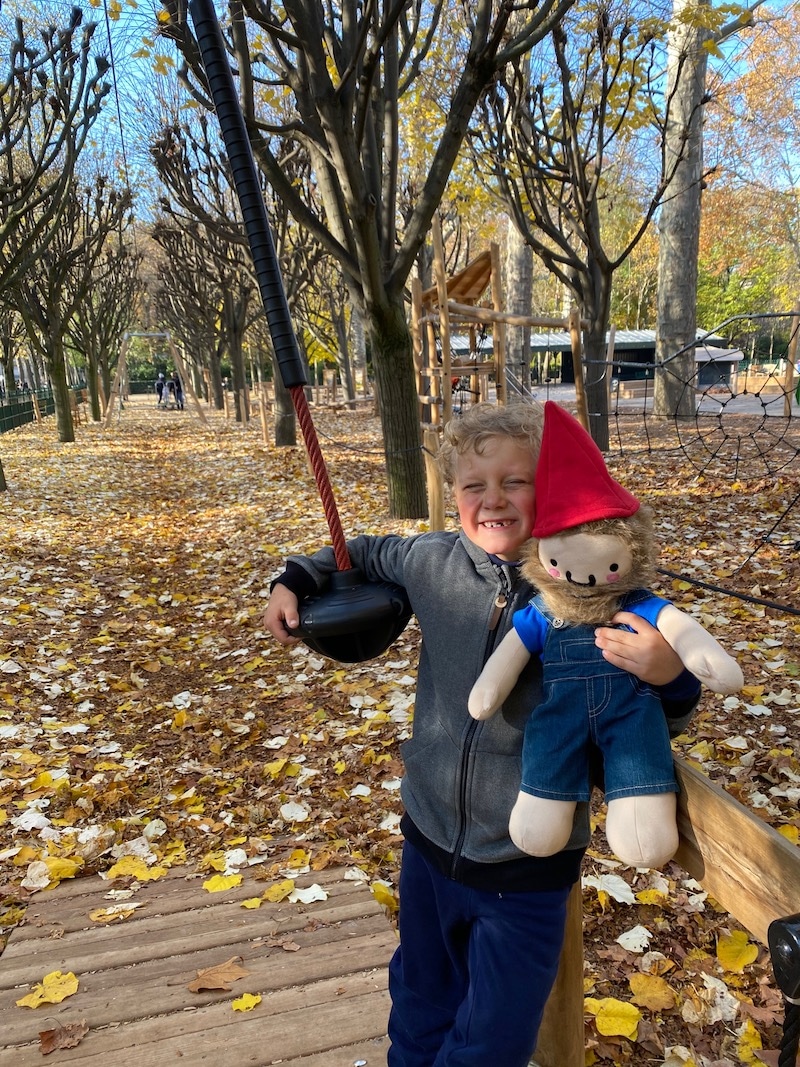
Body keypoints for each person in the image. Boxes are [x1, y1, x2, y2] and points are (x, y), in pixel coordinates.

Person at [264, 401, 700, 1067]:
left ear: (547, 488)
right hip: (429, 844)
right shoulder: (431, 561)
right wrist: (293, 579)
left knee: (492, 1039)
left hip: (528, 867)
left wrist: (671, 675)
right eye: (474, 486)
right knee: (419, 1001)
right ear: (453, 493)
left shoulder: (585, 586)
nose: (492, 499)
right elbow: (358, 552)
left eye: (514, 482)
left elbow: (643, 709)